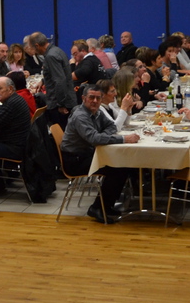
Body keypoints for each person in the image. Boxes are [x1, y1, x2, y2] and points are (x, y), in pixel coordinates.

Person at [59, 84, 139, 223]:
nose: (95, 101)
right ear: (84, 98)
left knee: (123, 164)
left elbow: (111, 126)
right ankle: (97, 208)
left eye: (98, 98)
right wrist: (124, 139)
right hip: (75, 160)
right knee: (117, 168)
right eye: (91, 97)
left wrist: (102, 136)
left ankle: (106, 206)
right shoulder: (80, 115)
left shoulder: (96, 112)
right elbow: (94, 139)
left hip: (87, 154)